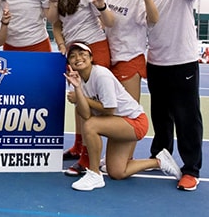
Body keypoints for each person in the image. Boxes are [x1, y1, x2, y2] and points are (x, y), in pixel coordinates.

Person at [64, 42, 182, 191]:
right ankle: (159, 161)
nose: (78, 58)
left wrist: (82, 98)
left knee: (90, 125)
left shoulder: (101, 75)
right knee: (117, 172)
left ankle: (94, 174)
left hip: (134, 122)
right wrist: (78, 89)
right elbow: (86, 114)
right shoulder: (76, 80)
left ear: (91, 57)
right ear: (69, 63)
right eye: (73, 56)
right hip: (118, 124)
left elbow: (109, 110)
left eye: (82, 54)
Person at [146, 0, 203, 191]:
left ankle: (191, 168)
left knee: (187, 117)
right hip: (156, 63)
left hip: (182, 62)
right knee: (161, 117)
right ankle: (161, 155)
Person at [49, 0, 114, 175]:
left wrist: (102, 6)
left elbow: (108, 21)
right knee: (79, 101)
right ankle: (78, 147)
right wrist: (60, 44)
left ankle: (88, 159)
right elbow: (55, 22)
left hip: (93, 48)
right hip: (74, 50)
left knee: (89, 106)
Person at [105, 0, 159, 102]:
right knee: (113, 111)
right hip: (112, 59)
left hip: (129, 59)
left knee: (130, 113)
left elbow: (153, 19)